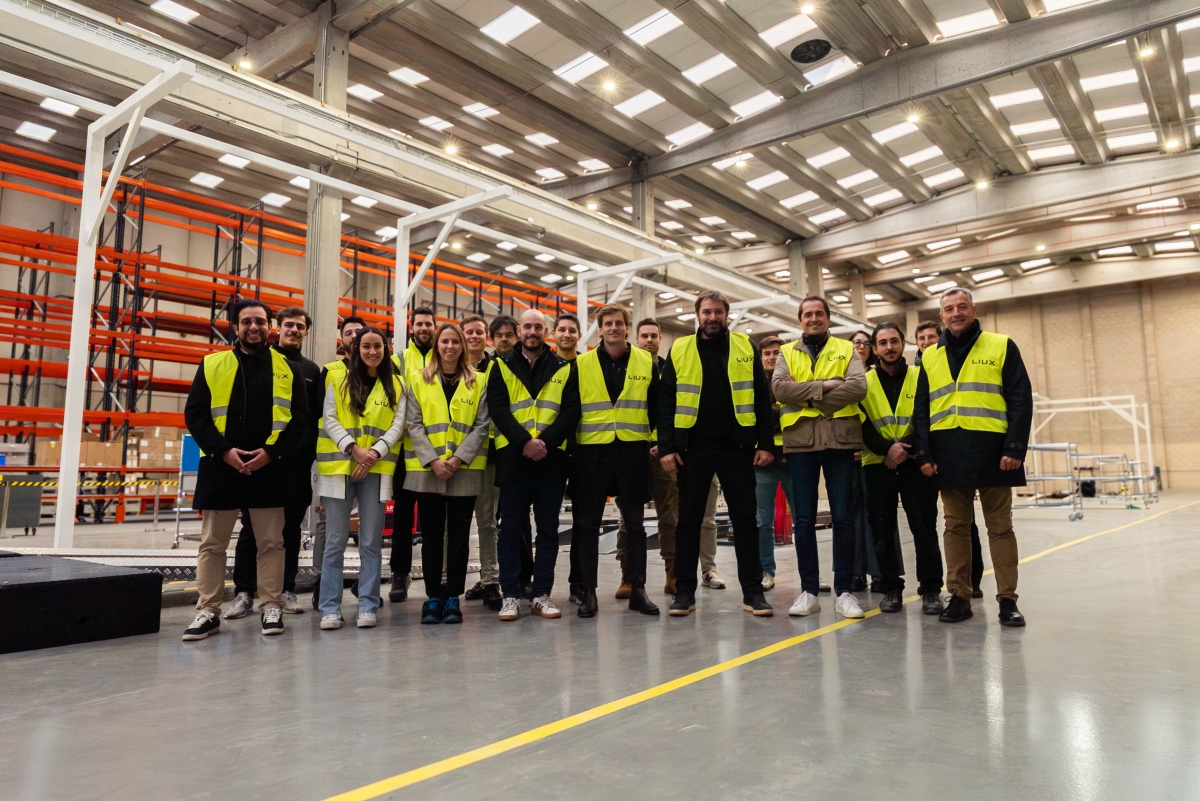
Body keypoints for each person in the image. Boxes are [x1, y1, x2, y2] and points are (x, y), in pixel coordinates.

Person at [181, 299, 309, 641]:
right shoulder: (211, 364)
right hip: (220, 467)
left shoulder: (289, 369)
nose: (254, 327)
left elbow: (300, 421)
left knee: (271, 543)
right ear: (235, 327)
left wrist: (271, 453)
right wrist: (223, 451)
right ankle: (208, 610)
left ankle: (270, 605)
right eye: (247, 321)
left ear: (271, 327)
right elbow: (196, 414)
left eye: (261, 321)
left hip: (269, 468)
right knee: (212, 544)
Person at [914, 288, 1033, 626]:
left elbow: (1020, 398)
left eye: (961, 306)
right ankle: (960, 596)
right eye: (949, 309)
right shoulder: (930, 356)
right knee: (955, 527)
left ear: (973, 309)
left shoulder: (1001, 345)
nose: (956, 313)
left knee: (1000, 528)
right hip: (948, 453)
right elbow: (921, 409)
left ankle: (1007, 600)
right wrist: (924, 453)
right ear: (941, 316)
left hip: (995, 453)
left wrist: (1014, 448)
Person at [658, 291, 774, 617]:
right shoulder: (679, 348)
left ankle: (753, 593)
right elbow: (666, 402)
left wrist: (765, 443)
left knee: (745, 522)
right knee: (688, 522)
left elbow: (762, 397)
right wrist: (666, 446)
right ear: (697, 315)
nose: (712, 317)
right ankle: (684, 593)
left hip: (737, 448)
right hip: (692, 450)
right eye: (706, 312)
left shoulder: (745, 346)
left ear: (727, 314)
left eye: (718, 312)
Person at [771, 297, 867, 619]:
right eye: (808, 314)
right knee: (803, 521)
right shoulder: (786, 352)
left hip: (840, 441)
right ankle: (809, 591)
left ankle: (845, 592)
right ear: (800, 320)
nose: (813, 318)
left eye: (819, 314)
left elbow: (857, 388)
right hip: (801, 443)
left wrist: (812, 400)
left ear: (828, 318)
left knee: (842, 517)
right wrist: (824, 387)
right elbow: (780, 390)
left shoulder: (846, 349)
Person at [615, 319, 725, 598]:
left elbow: (671, 411)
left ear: (660, 338)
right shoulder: (626, 369)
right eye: (644, 336)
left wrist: (664, 445)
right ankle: (628, 576)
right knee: (629, 518)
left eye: (654, 335)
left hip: (664, 453)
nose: (649, 340)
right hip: (632, 451)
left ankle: (672, 572)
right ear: (636, 338)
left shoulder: (669, 369)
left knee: (670, 516)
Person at [225, 306, 322, 620]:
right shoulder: (263, 362)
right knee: (252, 530)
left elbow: (311, 418)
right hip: (262, 461)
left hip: (295, 465)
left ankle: (286, 589)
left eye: (300, 327)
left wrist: (303, 454)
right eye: (289, 325)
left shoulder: (311, 370)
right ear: (277, 327)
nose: (294, 330)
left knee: (290, 529)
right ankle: (244, 591)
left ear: (306, 332)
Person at [488, 309, 580, 621]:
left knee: (548, 529)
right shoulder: (500, 365)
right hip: (514, 459)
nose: (532, 331)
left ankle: (541, 593)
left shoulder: (564, 368)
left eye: (538, 327)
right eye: (527, 326)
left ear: (547, 331)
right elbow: (498, 409)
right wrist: (525, 442)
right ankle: (510, 595)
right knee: (511, 528)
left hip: (551, 460)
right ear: (518, 331)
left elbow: (571, 412)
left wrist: (545, 443)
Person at [568, 304, 660, 618]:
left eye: (619, 323)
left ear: (626, 327)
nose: (613, 328)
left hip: (633, 452)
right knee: (586, 525)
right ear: (600, 328)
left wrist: (659, 440)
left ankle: (638, 589)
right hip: (591, 453)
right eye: (608, 324)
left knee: (635, 525)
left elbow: (658, 405)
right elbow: (572, 409)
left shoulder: (646, 361)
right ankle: (589, 592)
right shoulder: (581, 364)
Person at [316, 326, 405, 630]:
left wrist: (374, 454)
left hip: (376, 469)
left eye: (377, 346)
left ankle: (368, 604)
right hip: (340, 467)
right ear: (355, 348)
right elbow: (329, 418)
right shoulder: (336, 379)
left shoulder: (397, 384)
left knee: (370, 542)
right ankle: (329, 607)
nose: (371, 352)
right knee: (335, 541)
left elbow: (397, 426)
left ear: (385, 348)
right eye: (365, 346)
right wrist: (353, 450)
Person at [404, 323, 491, 624]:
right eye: (445, 341)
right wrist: (433, 460)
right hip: (428, 470)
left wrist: (457, 459)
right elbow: (413, 424)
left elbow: (482, 425)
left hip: (463, 469)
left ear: (463, 346)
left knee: (459, 537)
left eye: (456, 341)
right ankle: (432, 597)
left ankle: (453, 595)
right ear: (437, 346)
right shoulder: (417, 380)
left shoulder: (478, 381)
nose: (450, 346)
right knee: (430, 536)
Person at [859, 323, 944, 616]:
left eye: (894, 341)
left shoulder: (922, 377)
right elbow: (860, 423)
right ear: (875, 348)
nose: (889, 347)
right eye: (882, 343)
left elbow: (929, 418)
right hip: (878, 463)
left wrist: (902, 449)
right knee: (882, 529)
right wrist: (886, 450)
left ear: (903, 343)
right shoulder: (863, 381)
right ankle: (891, 588)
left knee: (924, 527)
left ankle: (931, 589)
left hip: (915, 464)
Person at [916, 319, 984, 598]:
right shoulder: (917, 371)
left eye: (932, 336)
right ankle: (941, 584)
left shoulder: (953, 361)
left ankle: (971, 582)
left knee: (964, 522)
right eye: (921, 338)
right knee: (936, 523)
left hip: (953, 452)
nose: (927, 341)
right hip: (926, 456)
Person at [389, 307, 437, 603]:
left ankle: (436, 575)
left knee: (432, 519)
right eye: (419, 324)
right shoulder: (398, 360)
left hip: (435, 450)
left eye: (428, 324)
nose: (424, 328)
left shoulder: (444, 353)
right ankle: (399, 573)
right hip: (404, 452)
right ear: (412, 327)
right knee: (403, 517)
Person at [461, 314, 504, 610]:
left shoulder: (497, 368)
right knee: (456, 525)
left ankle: (490, 581)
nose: (474, 336)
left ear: (486, 336)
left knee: (488, 522)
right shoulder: (449, 368)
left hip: (488, 456)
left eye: (479, 332)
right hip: (455, 460)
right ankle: (448, 581)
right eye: (469, 332)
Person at [754, 336, 795, 591]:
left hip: (794, 458)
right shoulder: (753, 385)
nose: (772, 357)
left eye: (777, 353)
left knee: (803, 519)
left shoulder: (795, 381)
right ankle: (766, 571)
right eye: (767, 353)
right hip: (763, 461)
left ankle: (810, 572)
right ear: (760, 358)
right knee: (763, 522)